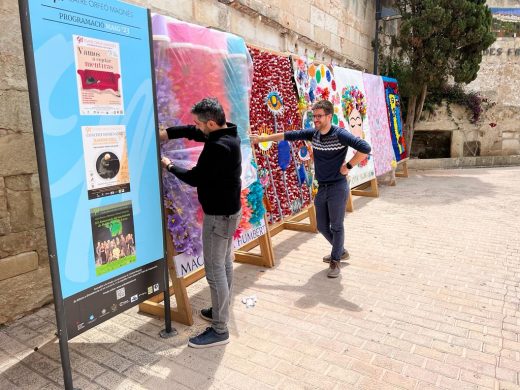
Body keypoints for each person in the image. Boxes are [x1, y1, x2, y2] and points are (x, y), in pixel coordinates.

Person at [251, 100, 371, 278]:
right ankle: (340, 250)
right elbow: (287, 135)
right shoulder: (313, 134)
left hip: (338, 186)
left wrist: (349, 166)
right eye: (314, 116)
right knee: (322, 225)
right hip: (322, 187)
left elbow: (365, 148)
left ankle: (335, 260)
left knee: (337, 226)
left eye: (319, 116)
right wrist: (262, 139)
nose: (315, 119)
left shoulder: (340, 134)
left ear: (329, 116)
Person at [160, 98, 242, 348]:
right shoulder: (228, 132)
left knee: (214, 271)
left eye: (199, 123)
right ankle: (220, 312)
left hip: (218, 217)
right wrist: (168, 134)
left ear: (210, 123)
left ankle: (219, 330)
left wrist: (170, 165)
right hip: (229, 213)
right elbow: (193, 132)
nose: (196, 127)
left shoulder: (219, 147)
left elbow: (195, 178)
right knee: (225, 264)